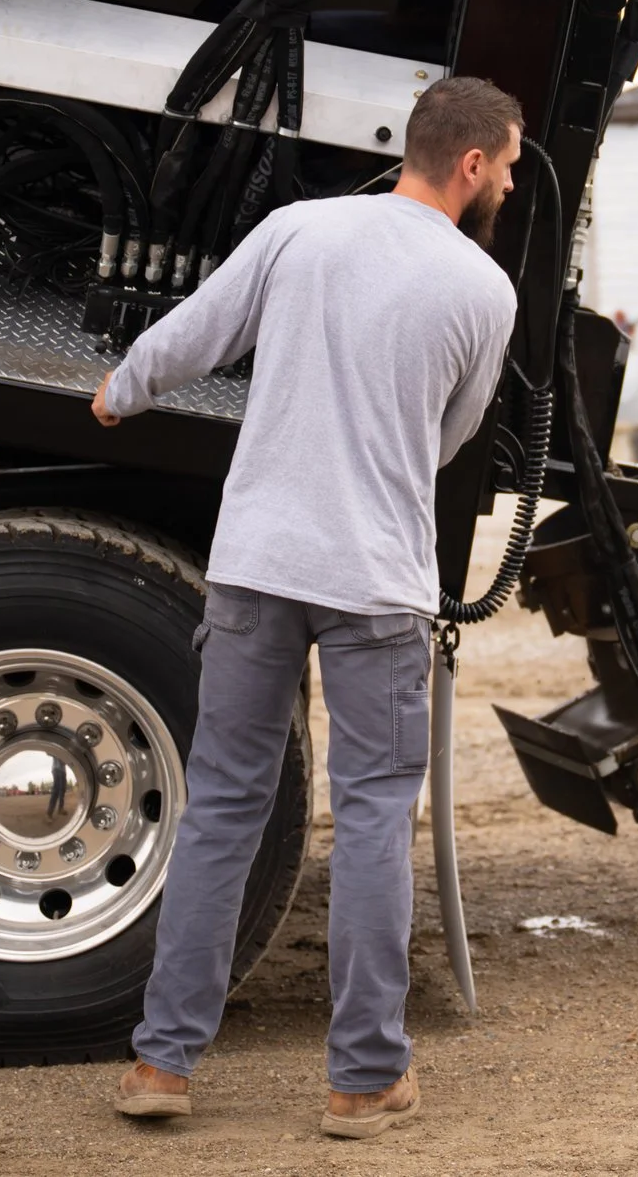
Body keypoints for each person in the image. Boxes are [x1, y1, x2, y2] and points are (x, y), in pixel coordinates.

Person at [91, 75, 523, 1140]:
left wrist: (120, 389)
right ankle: (363, 1077)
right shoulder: (481, 288)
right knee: (373, 813)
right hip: (375, 579)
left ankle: (161, 1062)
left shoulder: (297, 231)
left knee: (226, 804)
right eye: (508, 161)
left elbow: (196, 333)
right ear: (468, 164)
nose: (511, 177)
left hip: (255, 564)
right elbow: (451, 434)